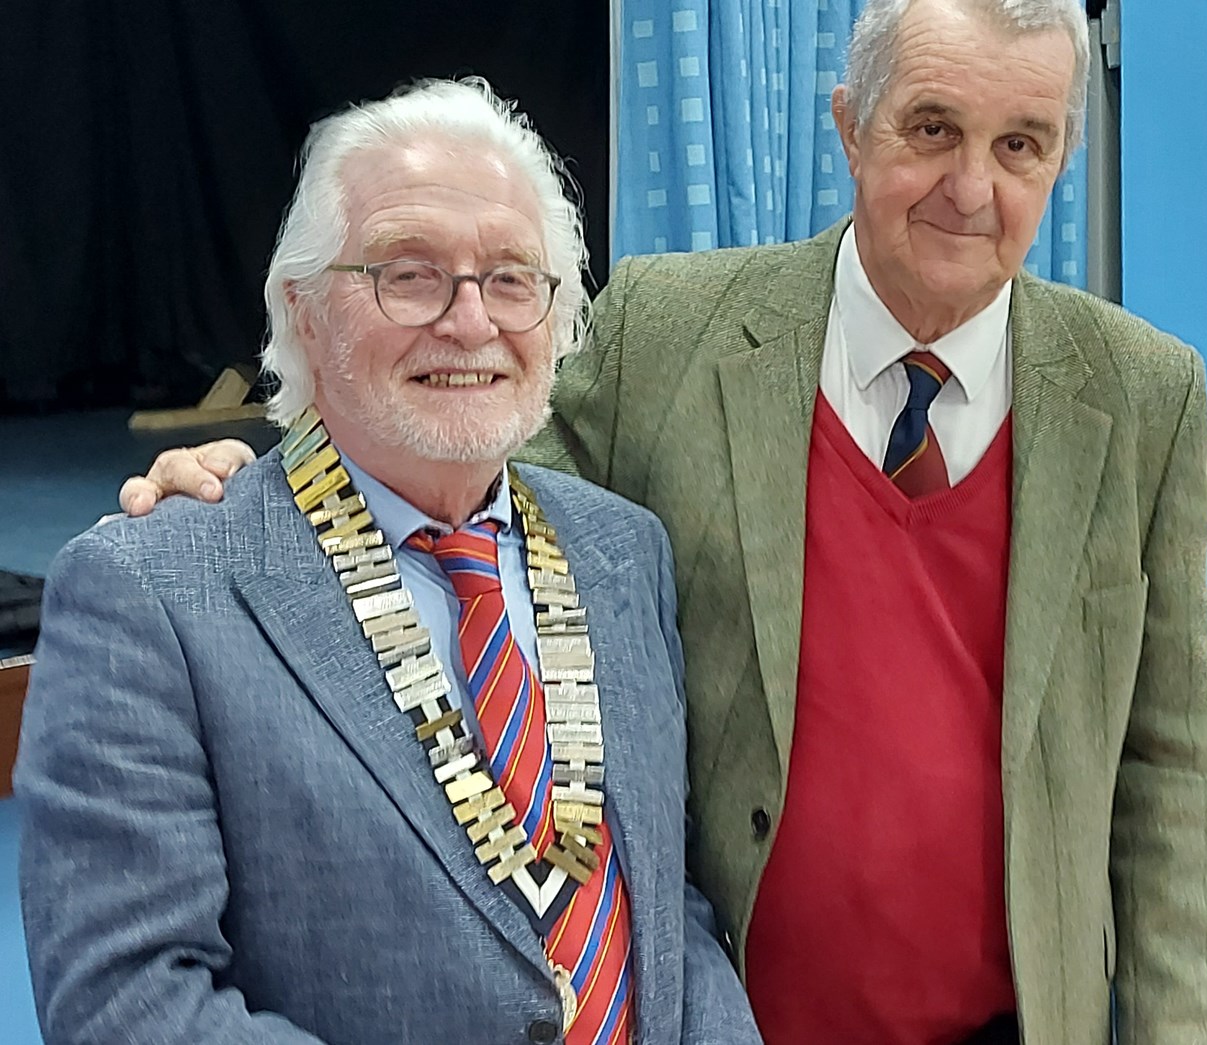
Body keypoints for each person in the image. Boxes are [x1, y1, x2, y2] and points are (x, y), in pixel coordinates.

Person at [118, 1, 1207, 1041]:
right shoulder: (668, 333)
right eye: (932, 128)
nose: (971, 188)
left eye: (1021, 145)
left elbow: (1172, 775)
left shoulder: (1141, 397)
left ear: (1060, 162)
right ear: (851, 128)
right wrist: (270, 485)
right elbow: (451, 464)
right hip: (724, 1010)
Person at [21, 79, 759, 1045]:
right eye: (407, 274)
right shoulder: (150, 592)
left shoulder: (623, 550)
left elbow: (663, 914)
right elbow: (125, 1002)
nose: (468, 321)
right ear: (304, 310)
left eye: (510, 277)